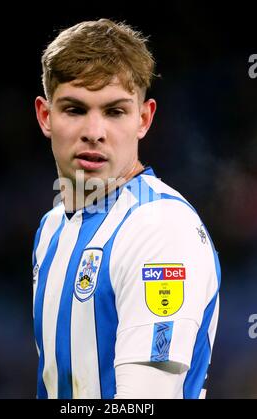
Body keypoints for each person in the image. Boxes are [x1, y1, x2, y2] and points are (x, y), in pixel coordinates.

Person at [33, 18, 221, 399]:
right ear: (45, 116)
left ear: (144, 118)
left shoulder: (160, 227)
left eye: (115, 111)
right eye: (74, 109)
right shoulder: (52, 227)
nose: (95, 131)